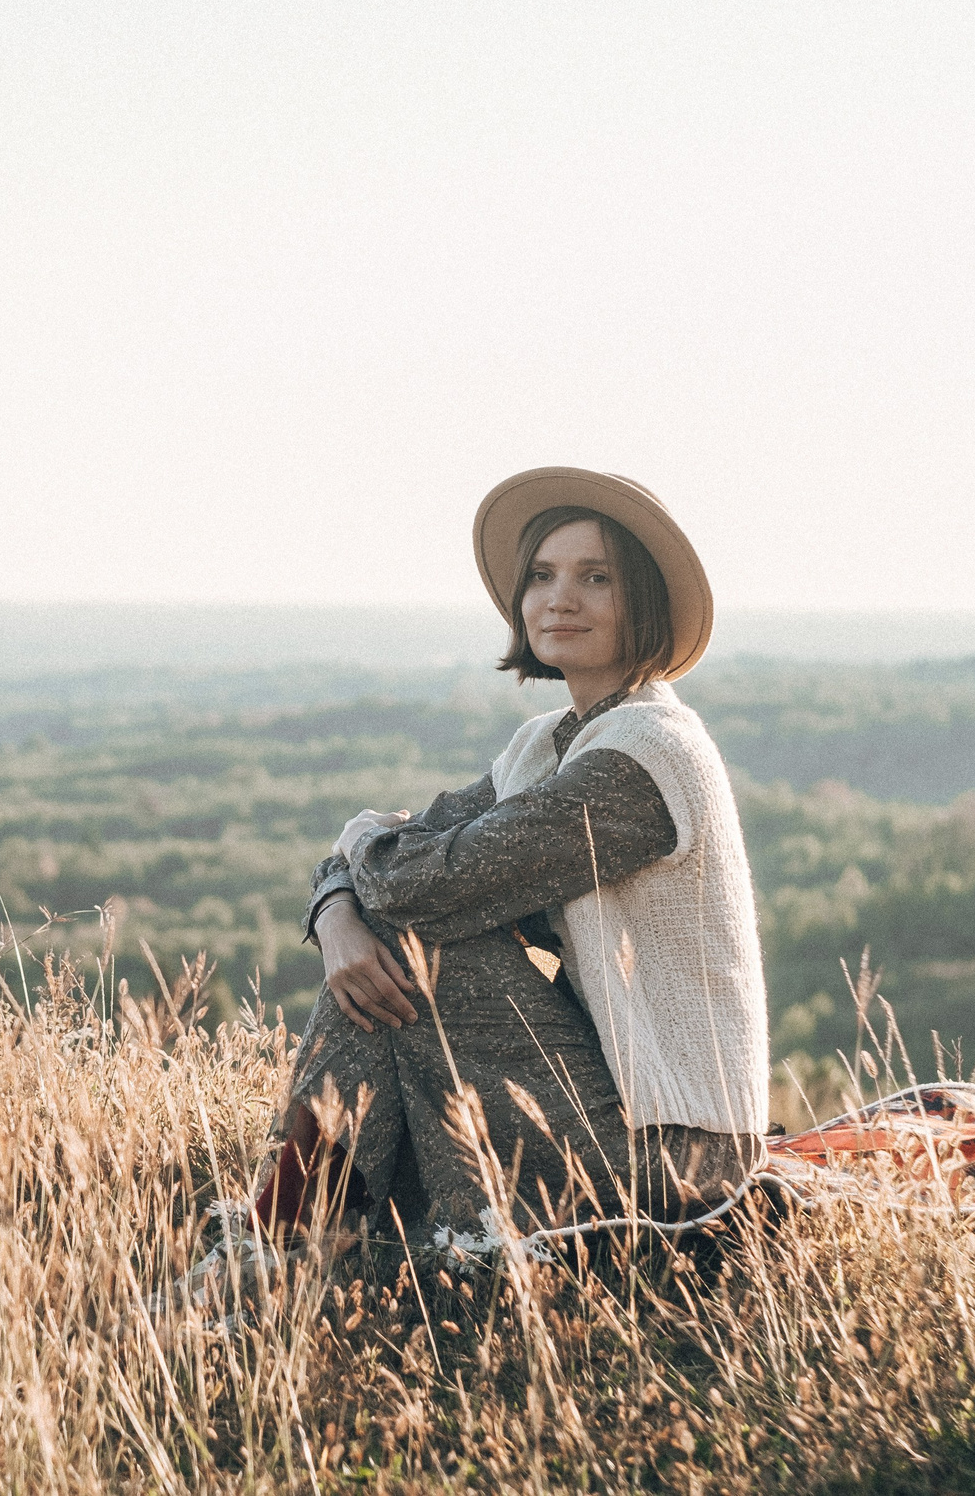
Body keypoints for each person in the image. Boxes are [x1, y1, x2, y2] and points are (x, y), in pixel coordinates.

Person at [254, 468, 770, 1253]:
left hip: (677, 1147)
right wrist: (335, 922)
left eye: (596, 578)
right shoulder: (546, 745)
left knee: (422, 943)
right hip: (598, 1094)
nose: (560, 598)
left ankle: (296, 1236)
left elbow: (412, 878)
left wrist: (359, 869)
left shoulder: (644, 758)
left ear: (645, 604)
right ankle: (303, 1237)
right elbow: (390, 850)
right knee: (399, 938)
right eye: (542, 575)